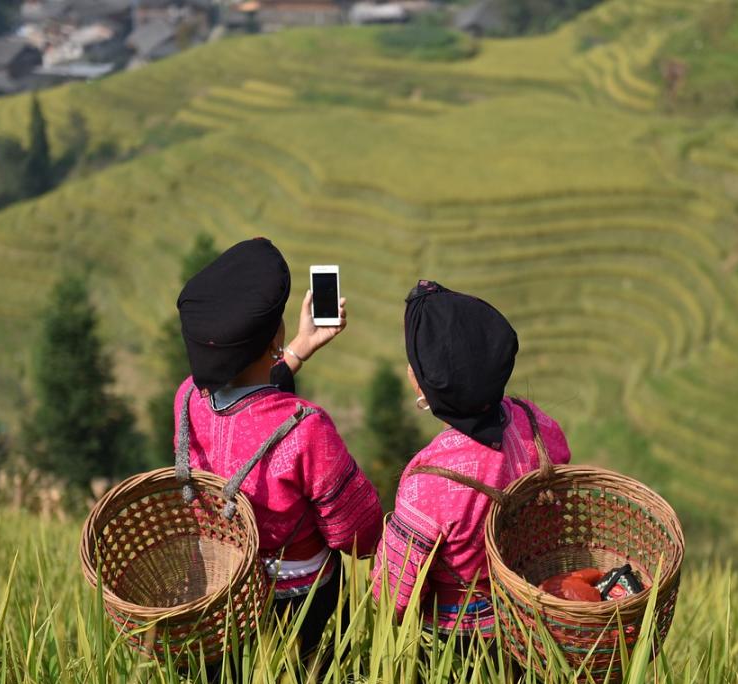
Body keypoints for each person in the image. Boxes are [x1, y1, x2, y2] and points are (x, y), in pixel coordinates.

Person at [174, 237, 382, 662]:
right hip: (300, 606)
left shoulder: (187, 401)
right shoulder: (306, 428)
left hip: (222, 591)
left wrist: (299, 349)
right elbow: (357, 534)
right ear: (274, 336)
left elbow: (245, 404)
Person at [371, 280, 571, 640]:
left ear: (421, 383)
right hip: (538, 624)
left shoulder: (428, 480)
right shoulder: (538, 427)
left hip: (461, 648)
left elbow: (394, 593)